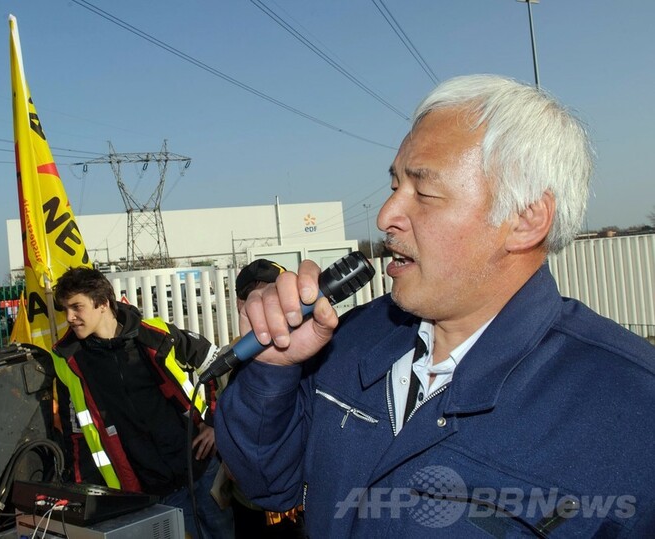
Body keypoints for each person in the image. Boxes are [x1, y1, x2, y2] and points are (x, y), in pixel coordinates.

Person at [215, 74, 655, 537]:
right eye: (394, 186)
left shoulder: (633, 411)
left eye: (423, 192)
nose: (385, 216)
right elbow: (267, 485)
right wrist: (272, 372)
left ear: (525, 219)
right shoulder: (345, 343)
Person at [52, 267, 234, 538]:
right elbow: (76, 435)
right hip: (151, 491)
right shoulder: (69, 359)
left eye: (76, 307)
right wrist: (83, 494)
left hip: (202, 468)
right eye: (65, 309)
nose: (69, 317)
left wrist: (215, 422)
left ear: (103, 303)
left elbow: (214, 363)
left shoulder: (154, 334)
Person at [219, 259, 305, 538]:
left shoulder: (311, 348)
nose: (267, 303)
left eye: (274, 294)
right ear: (241, 305)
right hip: (247, 503)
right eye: (255, 296)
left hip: (298, 503)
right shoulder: (227, 360)